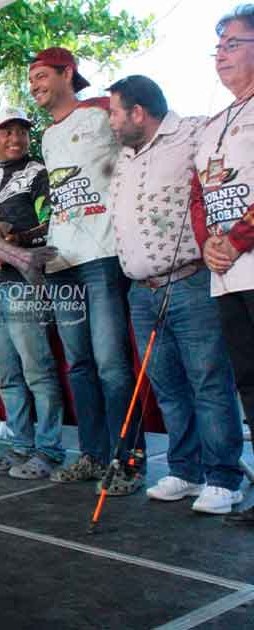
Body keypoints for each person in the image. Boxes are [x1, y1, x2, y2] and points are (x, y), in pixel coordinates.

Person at [106, 74, 246, 513]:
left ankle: (225, 478)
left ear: (138, 113)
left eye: (114, 112)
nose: (110, 122)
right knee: (167, 387)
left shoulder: (194, 131)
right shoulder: (123, 157)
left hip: (189, 282)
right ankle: (185, 471)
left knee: (208, 381)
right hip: (140, 291)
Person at [29, 47, 141, 493]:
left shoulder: (100, 113)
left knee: (112, 364)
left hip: (103, 258)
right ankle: (93, 456)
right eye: (31, 78)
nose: (34, 84)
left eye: (40, 76)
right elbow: (65, 194)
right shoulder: (47, 137)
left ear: (66, 73)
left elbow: (137, 156)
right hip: (62, 263)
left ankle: (127, 462)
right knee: (78, 365)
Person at [0, 108, 66, 479]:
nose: (15, 139)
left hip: (25, 285)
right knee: (7, 374)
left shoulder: (40, 173)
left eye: (21, 132)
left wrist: (19, 239)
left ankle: (49, 450)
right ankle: (21, 446)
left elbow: (53, 220)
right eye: (6, 132)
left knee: (38, 372)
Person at [192, 6, 254, 525]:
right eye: (218, 47)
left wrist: (236, 238)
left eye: (232, 44)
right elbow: (198, 195)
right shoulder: (214, 124)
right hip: (226, 275)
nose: (221, 56)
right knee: (249, 382)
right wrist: (207, 244)